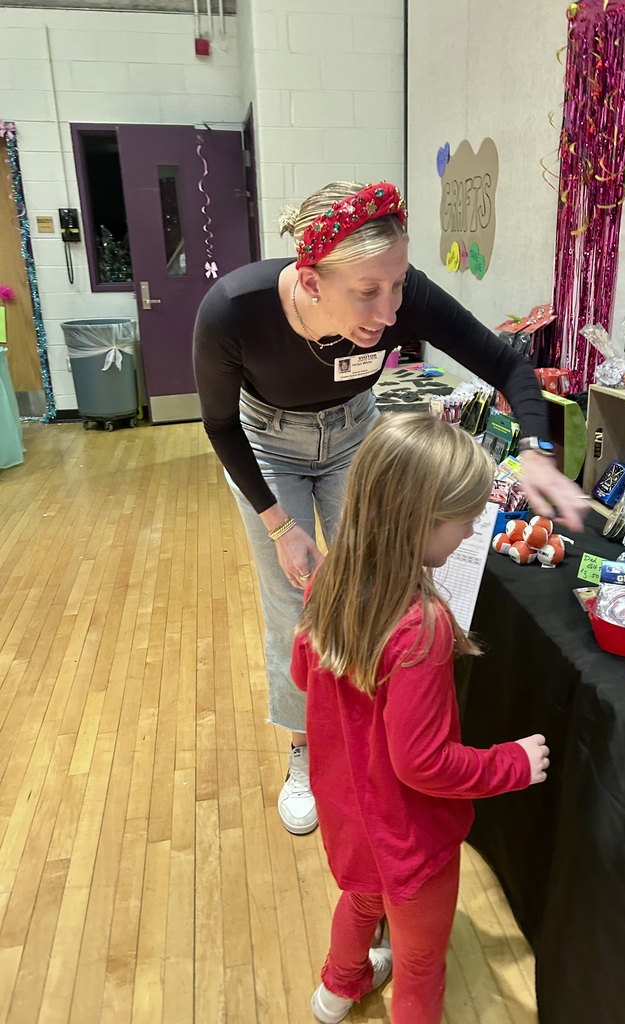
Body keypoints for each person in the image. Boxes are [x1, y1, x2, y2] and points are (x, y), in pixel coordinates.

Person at [193, 180, 583, 836]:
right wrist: (281, 526)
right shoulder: (234, 310)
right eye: (368, 293)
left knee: (384, 588)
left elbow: (508, 366)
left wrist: (541, 449)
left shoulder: (401, 298)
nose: (390, 309)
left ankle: (381, 732)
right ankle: (303, 754)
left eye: (398, 284)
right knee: (297, 601)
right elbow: (221, 427)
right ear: (311, 282)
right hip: (266, 444)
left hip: (353, 434)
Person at [291, 412, 550, 1024]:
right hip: (409, 838)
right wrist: (511, 762)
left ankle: (336, 990)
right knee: (419, 964)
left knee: (360, 899)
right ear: (420, 524)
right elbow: (423, 762)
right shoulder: (421, 627)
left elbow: (306, 679)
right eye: (463, 523)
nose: (468, 535)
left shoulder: (326, 581)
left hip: (350, 816)